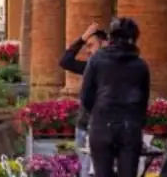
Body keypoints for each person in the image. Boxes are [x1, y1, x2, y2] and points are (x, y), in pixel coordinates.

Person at [80, 17, 150, 177]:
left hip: (102, 124)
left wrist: (98, 114)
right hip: (129, 126)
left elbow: (85, 95)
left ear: (111, 38)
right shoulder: (140, 66)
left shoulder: (97, 60)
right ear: (133, 39)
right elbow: (143, 101)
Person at [59, 23, 107, 177]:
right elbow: (65, 61)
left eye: (91, 45)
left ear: (104, 44)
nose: (88, 50)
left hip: (104, 127)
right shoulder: (88, 67)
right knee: (84, 170)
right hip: (84, 126)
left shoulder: (114, 69)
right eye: (86, 46)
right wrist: (82, 38)